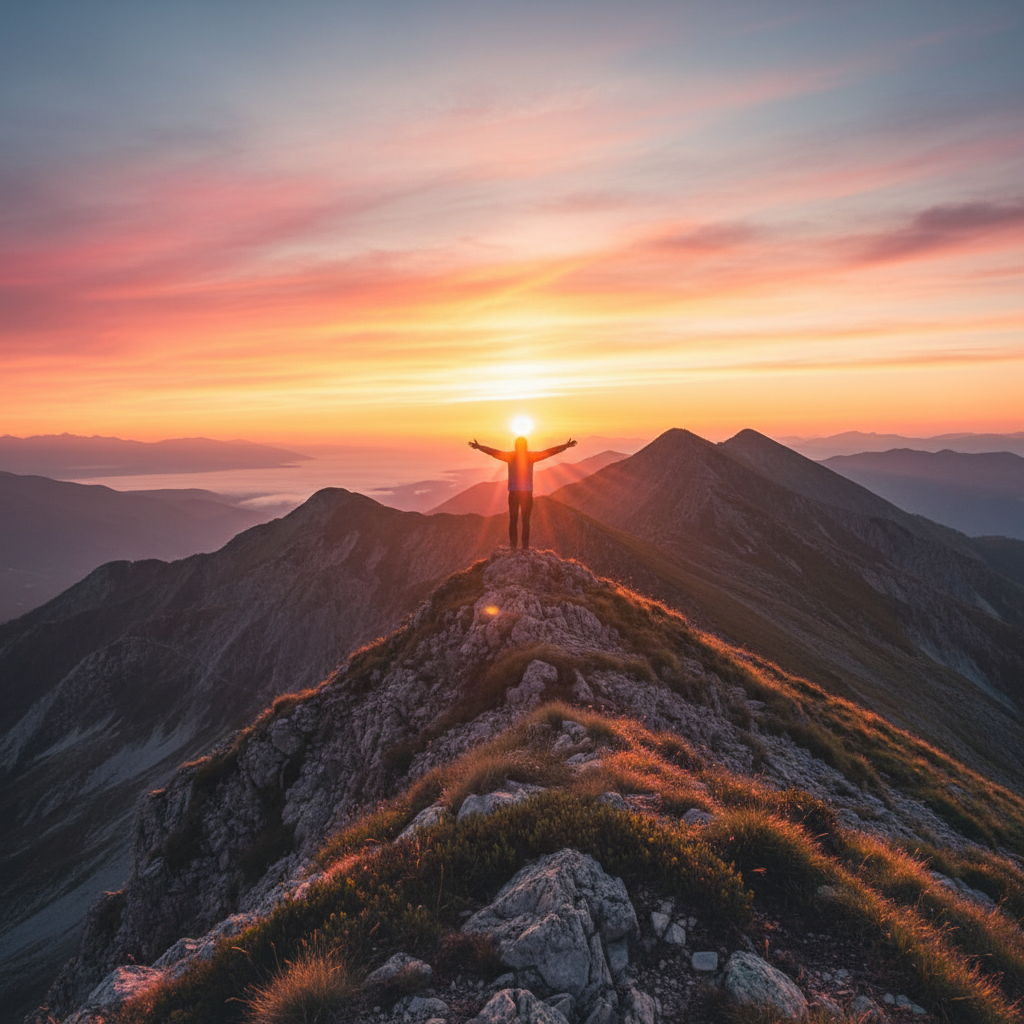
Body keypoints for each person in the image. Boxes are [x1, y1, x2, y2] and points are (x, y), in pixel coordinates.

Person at [468, 434, 577, 549]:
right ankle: (525, 547)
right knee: (525, 520)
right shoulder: (530, 456)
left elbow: (493, 452)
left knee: (513, 520)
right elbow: (549, 452)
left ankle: (513, 546)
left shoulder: (510, 456)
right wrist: (565, 446)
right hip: (526, 493)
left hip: (514, 493)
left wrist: (480, 447)